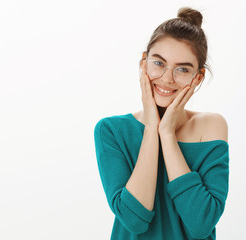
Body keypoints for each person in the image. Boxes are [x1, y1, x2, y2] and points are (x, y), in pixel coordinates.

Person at [93, 7, 229, 240]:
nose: (167, 78)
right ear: (143, 63)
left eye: (182, 69)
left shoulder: (211, 126)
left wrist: (166, 133)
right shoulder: (111, 130)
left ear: (198, 78)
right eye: (158, 63)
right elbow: (134, 220)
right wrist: (151, 130)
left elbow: (201, 224)